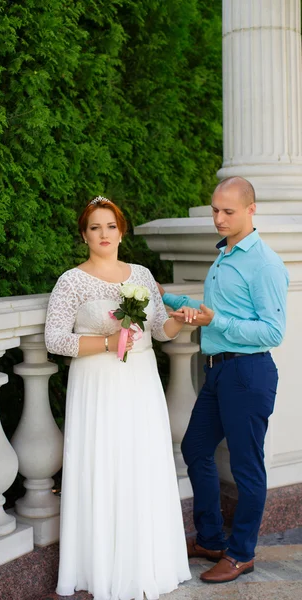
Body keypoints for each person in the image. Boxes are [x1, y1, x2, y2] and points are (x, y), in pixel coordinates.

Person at [45, 196, 191, 600]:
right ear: (84, 234)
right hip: (97, 385)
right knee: (103, 463)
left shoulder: (141, 275)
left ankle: (147, 564)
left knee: (141, 463)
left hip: (141, 383)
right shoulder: (71, 281)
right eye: (95, 227)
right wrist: (108, 341)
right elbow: (55, 339)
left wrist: (177, 323)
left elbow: (159, 329)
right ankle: (102, 568)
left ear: (121, 231)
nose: (104, 234)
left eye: (110, 226)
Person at [160, 176, 289, 584]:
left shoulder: (264, 263)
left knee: (247, 467)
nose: (218, 217)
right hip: (218, 370)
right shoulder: (226, 255)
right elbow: (220, 311)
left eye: (227, 211)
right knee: (196, 447)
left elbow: (273, 332)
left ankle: (241, 554)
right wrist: (169, 299)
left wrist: (217, 320)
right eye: (215, 209)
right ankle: (212, 539)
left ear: (251, 210)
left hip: (248, 374)